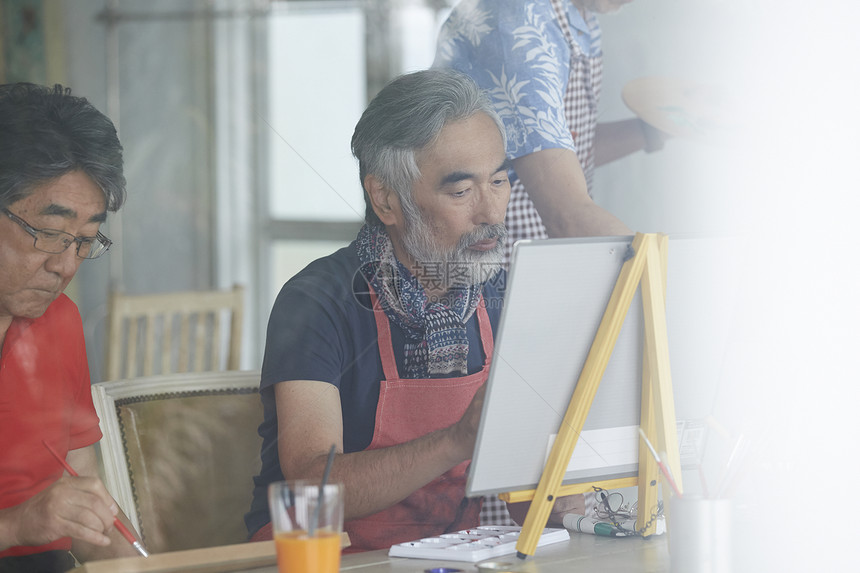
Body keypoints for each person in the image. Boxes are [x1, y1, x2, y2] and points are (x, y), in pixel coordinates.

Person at [245, 69, 578, 551]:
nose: (490, 213)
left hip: (443, 557)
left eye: (500, 181)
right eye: (461, 191)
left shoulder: (501, 295)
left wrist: (561, 490)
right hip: (322, 556)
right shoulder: (318, 300)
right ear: (386, 199)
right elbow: (311, 484)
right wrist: (456, 441)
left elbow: (524, 499)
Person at [0, 83, 141, 572]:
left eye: (83, 241)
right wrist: (16, 526)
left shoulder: (59, 323)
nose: (65, 266)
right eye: (49, 234)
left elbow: (82, 492)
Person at [435, 0, 668, 261]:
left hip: (529, 255)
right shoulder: (518, 19)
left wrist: (660, 128)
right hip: (488, 267)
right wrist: (657, 276)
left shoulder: (580, 15)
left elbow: (557, 155)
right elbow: (567, 216)